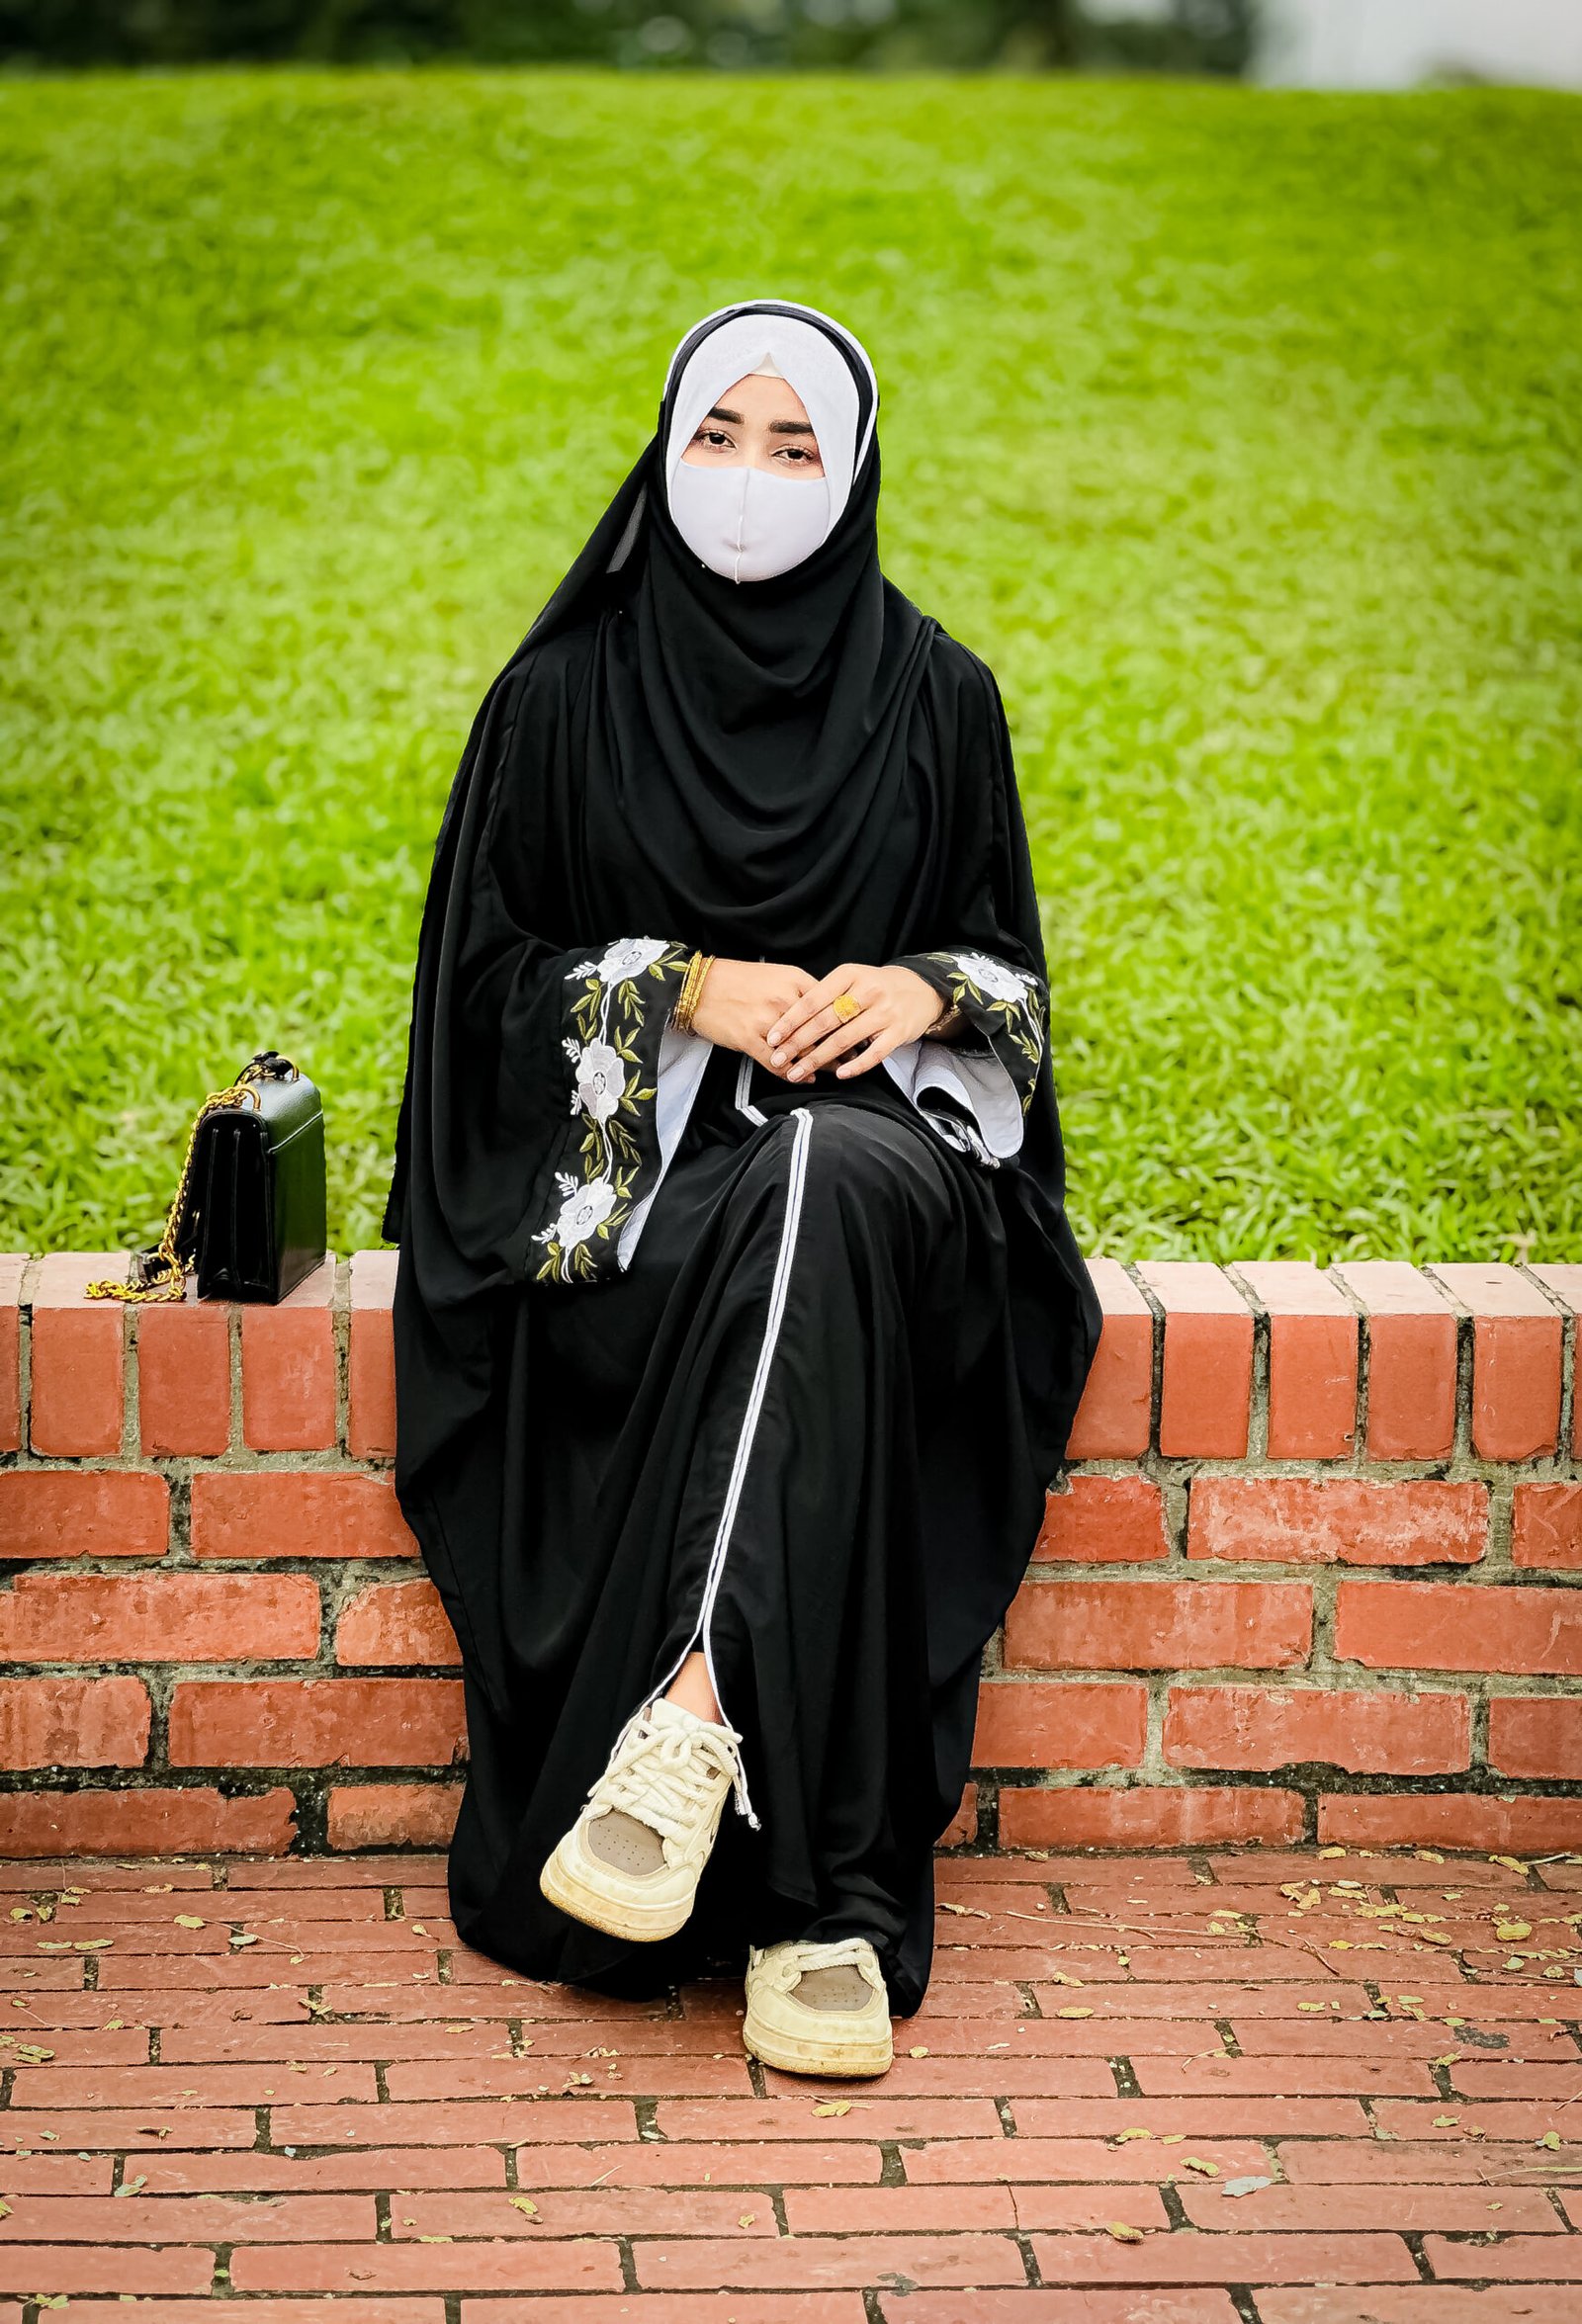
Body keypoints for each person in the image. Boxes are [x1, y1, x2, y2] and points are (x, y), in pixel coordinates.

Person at [380, 297, 1101, 2080]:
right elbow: (478, 995)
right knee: (794, 1221)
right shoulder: (559, 700)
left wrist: (920, 993)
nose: (753, 475)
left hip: (893, 1184)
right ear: (664, 448)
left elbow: (1008, 983)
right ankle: (821, 1905)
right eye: (719, 435)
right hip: (644, 1200)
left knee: (829, 1176)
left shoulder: (939, 698)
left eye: (795, 445)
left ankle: (684, 1729)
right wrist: (682, 990)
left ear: (852, 476)